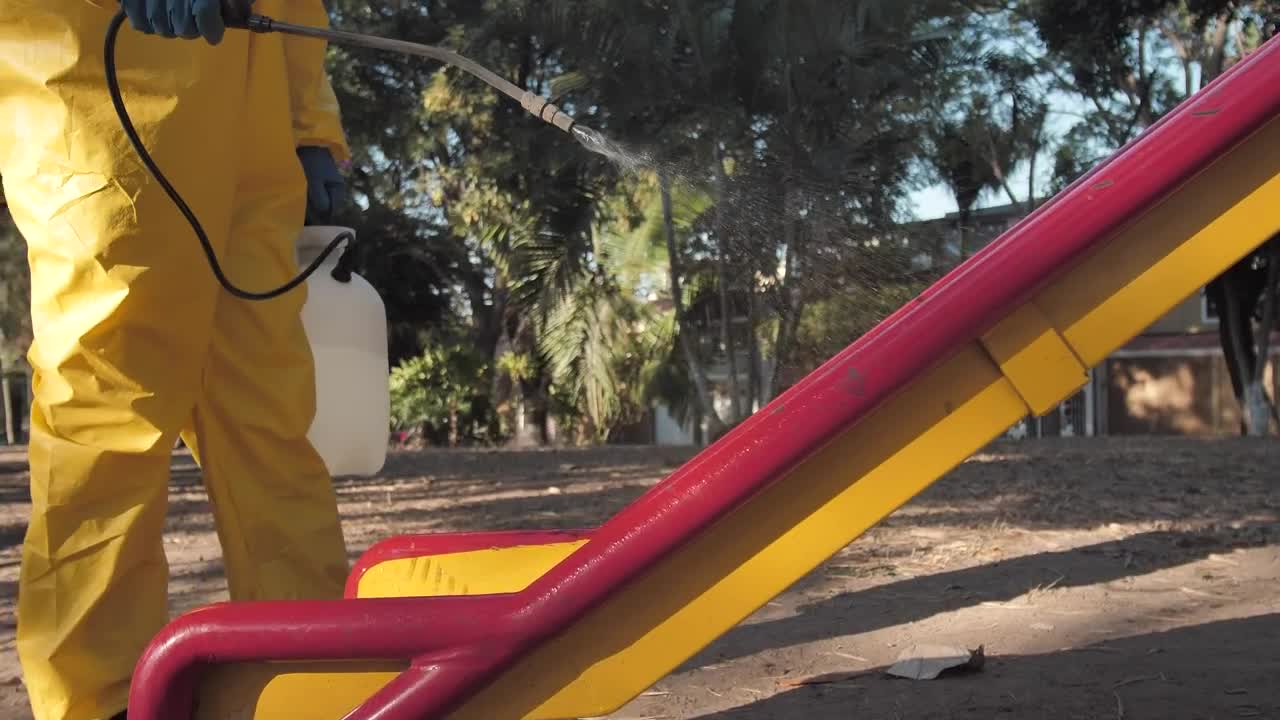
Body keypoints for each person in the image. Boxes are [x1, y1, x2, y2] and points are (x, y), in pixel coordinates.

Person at [0, 1, 353, 718]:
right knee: (105, 417)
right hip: (105, 93)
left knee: (269, 423)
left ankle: (313, 680)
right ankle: (94, 701)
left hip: (253, 125)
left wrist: (308, 126)